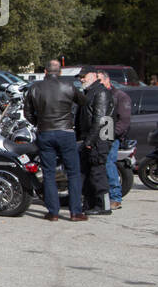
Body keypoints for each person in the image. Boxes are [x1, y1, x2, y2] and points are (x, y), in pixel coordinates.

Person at [25, 59, 86, 221]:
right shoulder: (68, 86)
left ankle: (53, 212)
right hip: (66, 132)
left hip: (45, 132)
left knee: (48, 173)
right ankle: (75, 212)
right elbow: (83, 102)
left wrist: (39, 123)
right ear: (59, 72)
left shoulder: (35, 87)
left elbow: (28, 113)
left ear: (45, 71)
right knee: (73, 172)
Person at [77, 66, 116, 216]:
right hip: (90, 139)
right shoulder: (89, 92)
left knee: (97, 174)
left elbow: (100, 120)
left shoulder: (100, 93)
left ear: (94, 75)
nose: (81, 79)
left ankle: (104, 206)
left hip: (99, 141)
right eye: (80, 77)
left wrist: (89, 141)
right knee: (88, 174)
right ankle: (90, 204)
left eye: (84, 76)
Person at [100, 74, 131, 211]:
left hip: (111, 138)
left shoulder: (120, 96)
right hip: (97, 136)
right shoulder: (98, 94)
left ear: (107, 80)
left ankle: (115, 197)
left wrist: (110, 135)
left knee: (108, 164)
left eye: (100, 80)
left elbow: (123, 121)